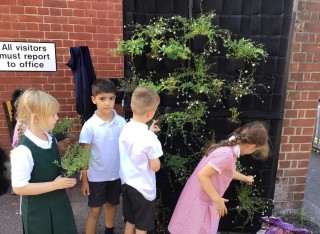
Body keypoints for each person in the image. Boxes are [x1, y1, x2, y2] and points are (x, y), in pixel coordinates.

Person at [168, 121, 270, 234]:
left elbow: (226, 171)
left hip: (202, 199)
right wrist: (217, 200)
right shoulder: (226, 154)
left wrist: (245, 178)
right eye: (255, 150)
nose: (253, 152)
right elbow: (202, 175)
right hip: (199, 202)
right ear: (252, 146)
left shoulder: (228, 148)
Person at [10, 88, 77, 234]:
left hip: (59, 203)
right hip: (38, 212)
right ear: (36, 118)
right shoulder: (23, 150)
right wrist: (54, 185)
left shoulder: (50, 138)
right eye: (52, 115)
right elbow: (19, 188)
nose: (57, 118)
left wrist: (67, 171)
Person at [79, 78, 127, 234]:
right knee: (94, 210)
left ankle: (109, 230)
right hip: (96, 177)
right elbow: (84, 154)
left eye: (111, 98)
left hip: (116, 174)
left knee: (112, 205)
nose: (107, 103)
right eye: (102, 99)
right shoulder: (90, 126)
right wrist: (84, 178)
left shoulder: (122, 122)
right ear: (94, 100)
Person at [119, 86, 163, 234]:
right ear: (151, 113)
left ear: (132, 106)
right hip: (143, 189)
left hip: (126, 184)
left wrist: (148, 131)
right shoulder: (150, 139)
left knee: (130, 221)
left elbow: (135, 144)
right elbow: (155, 167)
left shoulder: (126, 128)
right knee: (142, 228)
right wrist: (150, 135)